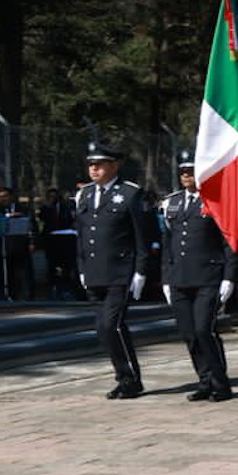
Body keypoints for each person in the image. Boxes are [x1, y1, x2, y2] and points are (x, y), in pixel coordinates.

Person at [75, 142, 156, 399]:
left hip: (120, 272)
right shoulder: (84, 194)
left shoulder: (130, 193)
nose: (94, 169)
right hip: (94, 272)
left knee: (113, 326)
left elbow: (141, 236)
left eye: (99, 164)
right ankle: (124, 377)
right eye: (91, 164)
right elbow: (82, 235)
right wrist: (81, 267)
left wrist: (141, 271)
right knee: (103, 329)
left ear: (114, 166)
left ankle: (130, 379)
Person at [158, 149, 236, 401]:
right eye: (182, 171)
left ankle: (221, 383)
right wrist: (166, 278)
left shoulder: (215, 200)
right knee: (189, 334)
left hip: (207, 277)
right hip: (179, 277)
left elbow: (228, 242)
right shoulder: (172, 202)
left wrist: (229, 276)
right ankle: (205, 381)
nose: (185, 175)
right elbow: (168, 243)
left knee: (204, 330)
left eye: (190, 171)